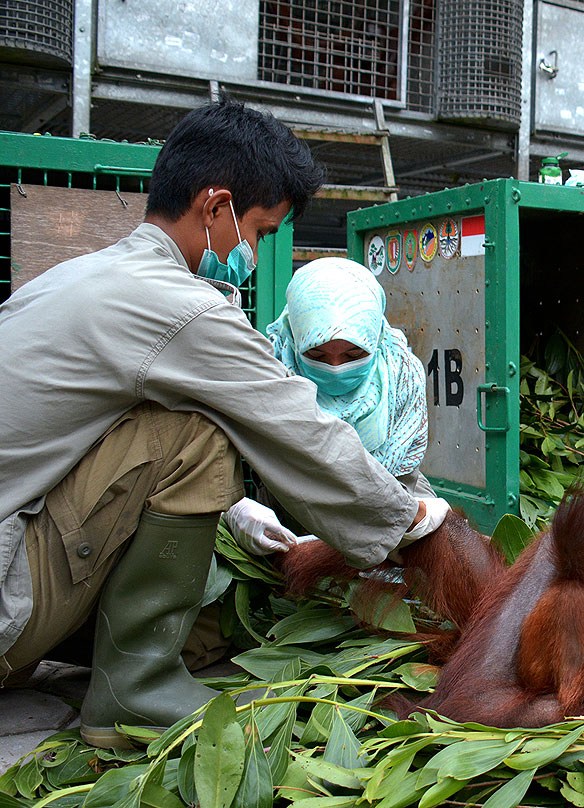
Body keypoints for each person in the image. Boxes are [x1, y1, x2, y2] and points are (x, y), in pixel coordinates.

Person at [0, 97, 448, 749]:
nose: (257, 254)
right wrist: (404, 517)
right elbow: (291, 424)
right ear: (215, 208)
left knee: (204, 609)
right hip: (9, 594)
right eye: (261, 233)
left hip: (19, 550)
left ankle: (121, 656)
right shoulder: (181, 308)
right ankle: (135, 691)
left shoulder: (72, 279)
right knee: (199, 425)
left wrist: (243, 511)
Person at [221, 256, 443, 553]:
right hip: (290, 525)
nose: (336, 368)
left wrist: (408, 519)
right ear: (293, 338)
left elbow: (402, 476)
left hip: (401, 515)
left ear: (375, 340)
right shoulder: (269, 373)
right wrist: (233, 508)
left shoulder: (402, 374)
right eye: (317, 356)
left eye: (353, 356)